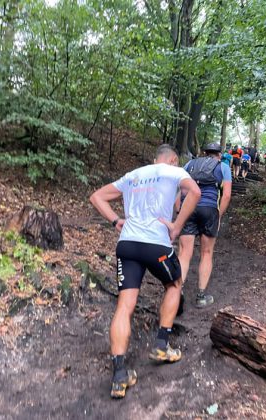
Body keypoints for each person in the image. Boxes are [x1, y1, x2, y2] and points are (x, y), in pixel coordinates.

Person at [90, 144, 201, 399]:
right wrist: (177, 226)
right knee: (174, 284)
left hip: (127, 244)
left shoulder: (134, 175)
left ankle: (119, 375)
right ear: (173, 159)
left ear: (155, 159)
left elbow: (97, 196)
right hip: (156, 244)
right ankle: (162, 344)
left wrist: (116, 221)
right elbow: (194, 192)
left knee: (125, 305)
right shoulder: (174, 172)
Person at [178, 142, 232, 308]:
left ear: (204, 152)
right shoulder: (223, 167)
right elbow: (227, 195)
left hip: (189, 207)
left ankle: (176, 291)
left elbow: (180, 189)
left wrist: (180, 211)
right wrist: (218, 215)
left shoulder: (190, 164)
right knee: (206, 253)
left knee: (184, 252)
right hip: (209, 209)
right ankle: (201, 296)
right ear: (219, 154)